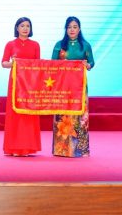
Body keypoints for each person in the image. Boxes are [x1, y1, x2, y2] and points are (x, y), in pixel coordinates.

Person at [51, 16, 95, 158]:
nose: (72, 30)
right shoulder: (59, 45)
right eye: (69, 27)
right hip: (62, 86)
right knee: (62, 117)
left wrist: (87, 65)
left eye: (75, 27)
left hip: (79, 86)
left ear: (79, 29)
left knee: (80, 117)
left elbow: (91, 63)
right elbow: (52, 64)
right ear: (66, 29)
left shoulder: (85, 45)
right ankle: (61, 149)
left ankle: (80, 150)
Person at [1, 17, 42, 156]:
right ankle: (13, 147)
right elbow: (4, 63)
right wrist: (12, 63)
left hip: (30, 83)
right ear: (17, 28)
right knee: (15, 114)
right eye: (22, 26)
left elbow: (38, 64)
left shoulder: (35, 45)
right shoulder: (10, 44)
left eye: (28, 26)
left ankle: (27, 147)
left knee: (28, 113)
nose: (25, 28)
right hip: (16, 83)